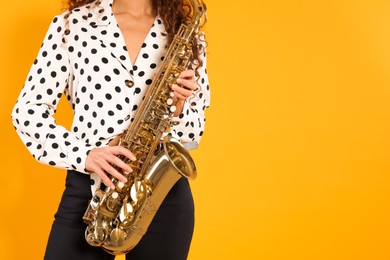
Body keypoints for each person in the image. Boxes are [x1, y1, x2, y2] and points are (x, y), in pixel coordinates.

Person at [11, 0, 210, 259]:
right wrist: (84, 156)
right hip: (90, 193)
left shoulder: (186, 32)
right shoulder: (73, 24)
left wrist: (179, 108)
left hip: (161, 198)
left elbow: (194, 132)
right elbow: (27, 111)